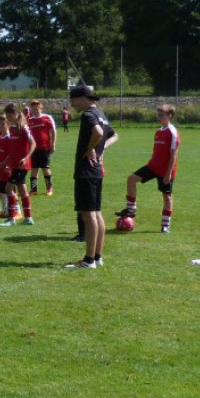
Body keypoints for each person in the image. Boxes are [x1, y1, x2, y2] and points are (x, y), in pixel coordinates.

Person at [67, 85, 118, 269]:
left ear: (82, 98)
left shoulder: (88, 115)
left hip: (86, 171)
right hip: (96, 171)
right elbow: (115, 136)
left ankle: (89, 260)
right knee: (96, 213)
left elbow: (97, 132)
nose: (71, 104)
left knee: (88, 216)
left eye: (73, 100)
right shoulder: (101, 114)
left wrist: (90, 149)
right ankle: (97, 256)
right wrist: (101, 149)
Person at [117, 104, 180, 233]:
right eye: (159, 115)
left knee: (167, 196)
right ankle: (131, 210)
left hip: (166, 171)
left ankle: (165, 225)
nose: (159, 117)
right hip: (153, 167)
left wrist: (168, 174)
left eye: (162, 115)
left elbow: (173, 156)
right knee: (131, 179)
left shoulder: (172, 133)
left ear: (170, 116)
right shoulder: (158, 131)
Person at [0, 103, 36, 226]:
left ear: (15, 114)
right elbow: (14, 149)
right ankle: (28, 218)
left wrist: (26, 158)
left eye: (9, 116)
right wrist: (8, 163)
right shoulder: (13, 128)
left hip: (21, 165)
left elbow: (33, 143)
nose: (7, 119)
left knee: (9, 188)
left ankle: (12, 218)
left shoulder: (24, 128)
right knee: (22, 189)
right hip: (15, 164)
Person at [26, 99, 56, 196]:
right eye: (34, 109)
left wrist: (53, 144)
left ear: (41, 108)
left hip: (45, 147)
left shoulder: (47, 117)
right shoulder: (29, 120)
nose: (36, 111)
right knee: (34, 169)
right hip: (33, 148)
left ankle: (49, 188)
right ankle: (33, 189)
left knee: (45, 168)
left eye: (37, 109)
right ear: (31, 109)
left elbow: (53, 131)